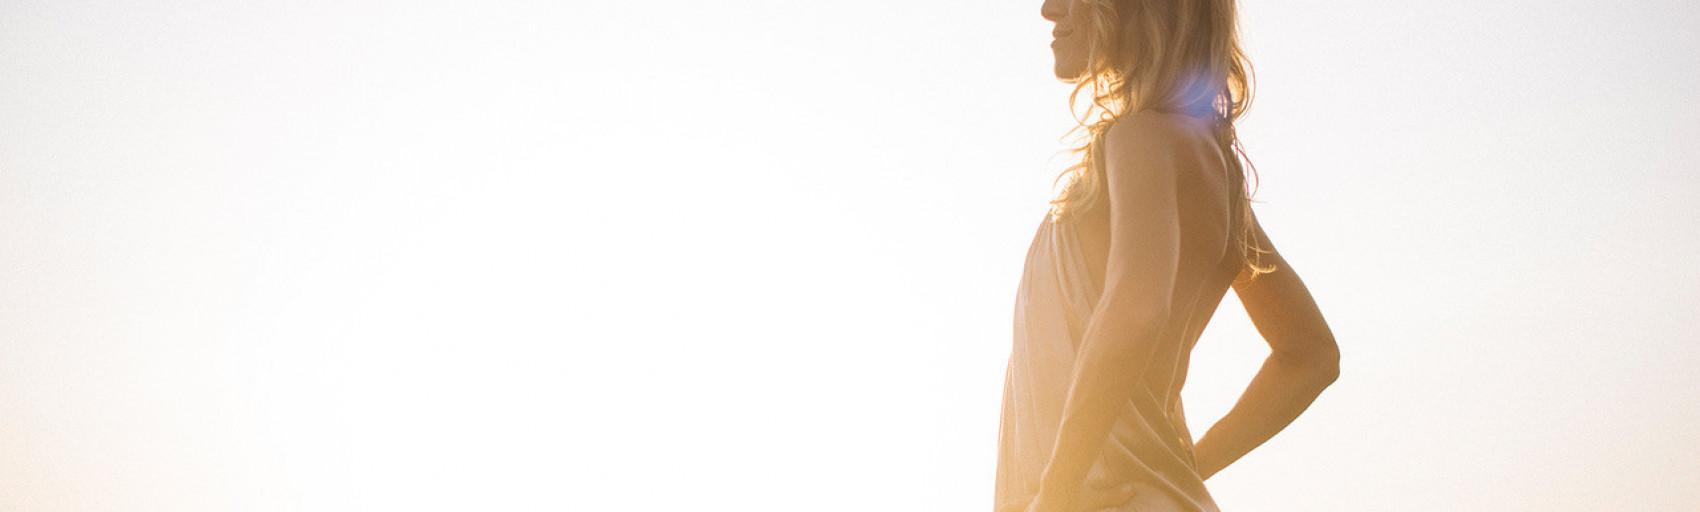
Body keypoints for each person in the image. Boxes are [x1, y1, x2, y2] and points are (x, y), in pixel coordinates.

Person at [994, 1, 1342, 511]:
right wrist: (1183, 470)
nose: (1049, 9)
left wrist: (1058, 489)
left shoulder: (1138, 139)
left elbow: (1138, 308)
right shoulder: (1215, 178)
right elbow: (1310, 354)